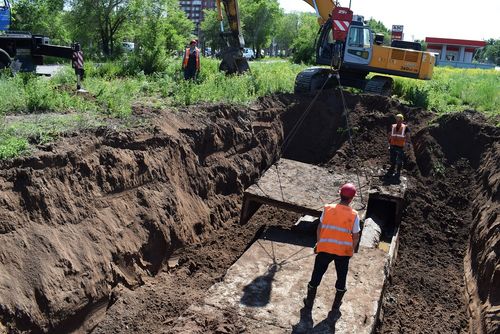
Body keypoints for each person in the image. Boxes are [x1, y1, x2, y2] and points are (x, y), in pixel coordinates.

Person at [303, 183, 360, 323]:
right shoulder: (354, 215)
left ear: (339, 194)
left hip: (325, 248)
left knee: (317, 274)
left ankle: (309, 301)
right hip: (343, 252)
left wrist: (319, 243)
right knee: (341, 277)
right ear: (352, 199)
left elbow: (319, 228)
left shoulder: (328, 208)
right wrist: (351, 250)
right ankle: (336, 305)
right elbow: (356, 235)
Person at [386, 113, 411, 178]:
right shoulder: (393, 126)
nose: (398, 121)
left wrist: (407, 145)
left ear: (402, 120)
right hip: (393, 145)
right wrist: (389, 142)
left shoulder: (405, 127)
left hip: (400, 146)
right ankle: (392, 168)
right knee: (392, 159)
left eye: (400, 120)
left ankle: (398, 171)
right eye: (397, 120)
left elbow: (408, 136)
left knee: (399, 160)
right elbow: (389, 134)